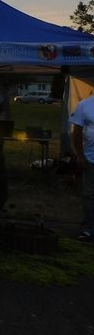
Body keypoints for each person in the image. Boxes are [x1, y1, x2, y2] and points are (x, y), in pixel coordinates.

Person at [70, 93, 94, 243]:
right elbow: (77, 131)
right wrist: (80, 155)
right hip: (91, 159)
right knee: (89, 195)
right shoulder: (85, 105)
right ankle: (89, 229)